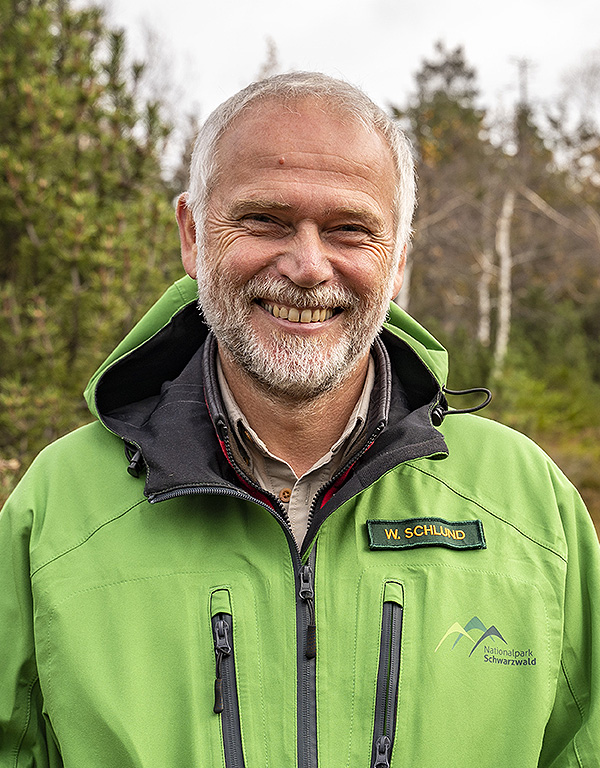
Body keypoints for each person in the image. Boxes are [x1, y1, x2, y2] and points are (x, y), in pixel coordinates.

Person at [1, 72, 598, 768]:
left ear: (398, 256)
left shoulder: (525, 503)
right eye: (265, 221)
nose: (310, 266)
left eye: (349, 229)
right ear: (193, 235)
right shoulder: (59, 509)